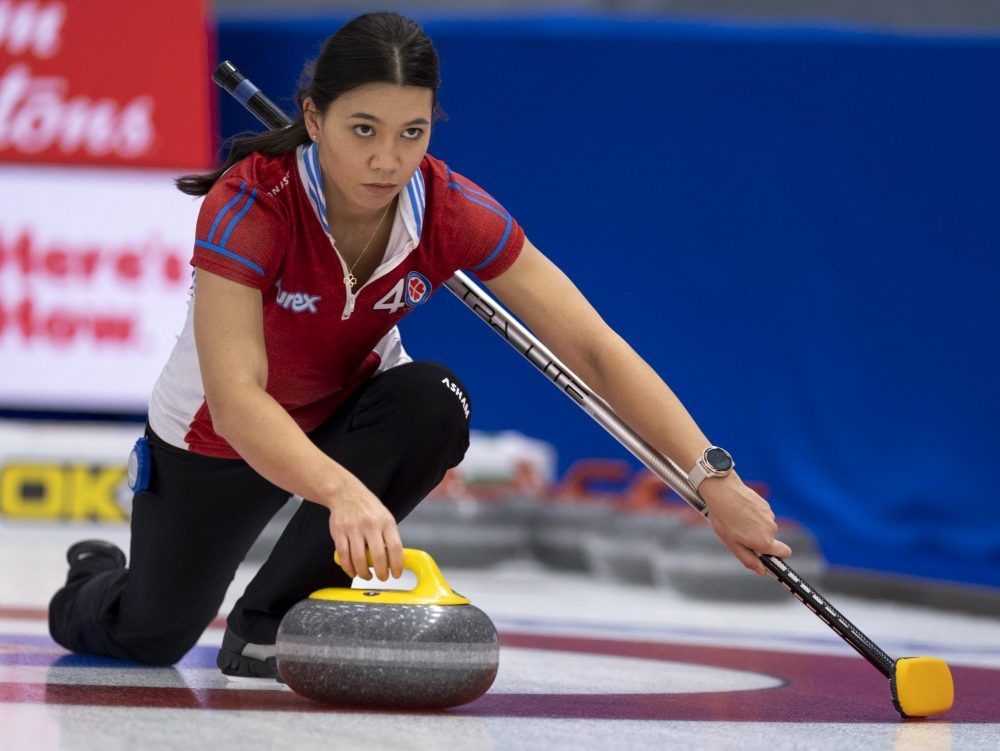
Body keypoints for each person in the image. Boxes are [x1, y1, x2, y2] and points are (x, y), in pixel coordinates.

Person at [48, 12, 791, 678]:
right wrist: (340, 490)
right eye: (362, 129)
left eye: (413, 132)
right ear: (313, 117)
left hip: (345, 416)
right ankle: (92, 579)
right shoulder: (250, 205)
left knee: (434, 399)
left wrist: (711, 477)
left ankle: (268, 624)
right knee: (151, 632)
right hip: (218, 438)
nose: (387, 160)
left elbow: (592, 346)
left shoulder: (449, 210)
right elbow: (240, 400)